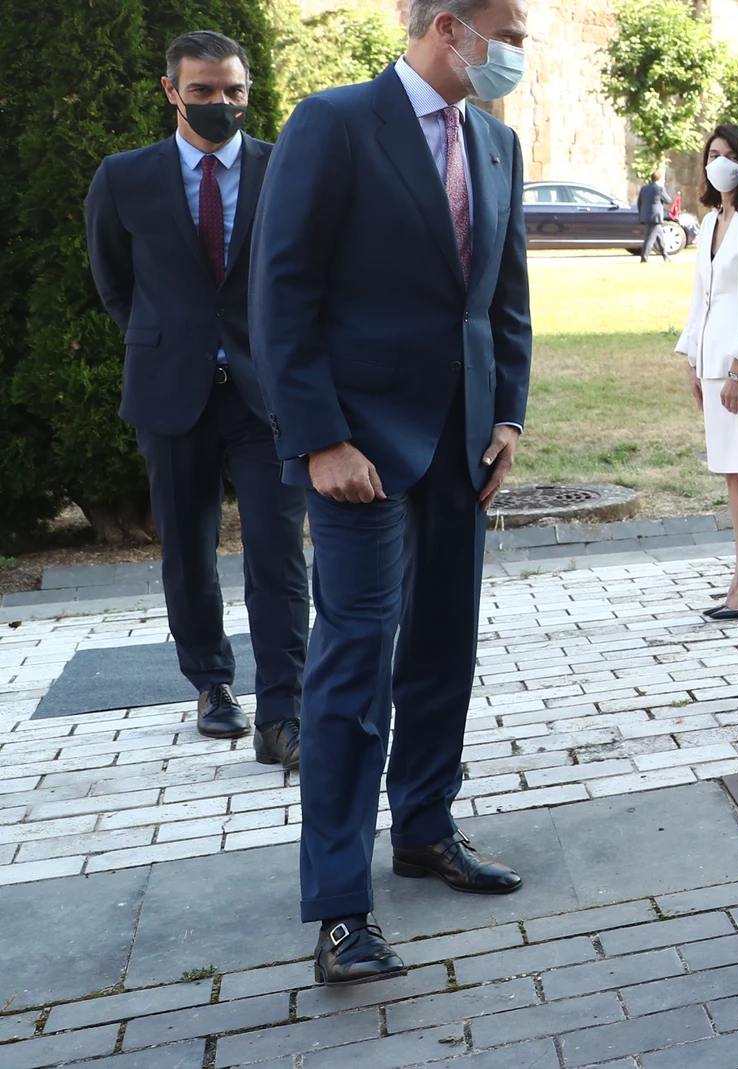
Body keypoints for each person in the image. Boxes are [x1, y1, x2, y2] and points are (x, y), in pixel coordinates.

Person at [250, 0, 532, 986]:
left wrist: (509, 418)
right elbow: (280, 290)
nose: (517, 54)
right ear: (449, 26)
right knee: (353, 670)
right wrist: (320, 437)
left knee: (444, 651)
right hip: (359, 453)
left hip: (463, 449)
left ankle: (423, 828)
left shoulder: (495, 143)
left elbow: (503, 299)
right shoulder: (334, 124)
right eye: (512, 33)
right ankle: (339, 907)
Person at [84, 32, 309, 767]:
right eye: (205, 91)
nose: (221, 104)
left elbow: (304, 275)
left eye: (234, 92)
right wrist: (165, 340)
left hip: (263, 394)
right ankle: (211, 684)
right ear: (171, 90)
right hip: (171, 391)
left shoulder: (283, 168)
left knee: (278, 553)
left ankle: (286, 710)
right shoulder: (123, 178)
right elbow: (115, 283)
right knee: (188, 551)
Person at [676, 124, 738, 620]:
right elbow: (703, 297)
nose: (719, 162)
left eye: (729, 154)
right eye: (713, 153)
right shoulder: (714, 218)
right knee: (731, 473)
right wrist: (694, 360)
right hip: (712, 360)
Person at [638, 170, 670, 262]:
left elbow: (639, 203)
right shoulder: (659, 189)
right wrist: (664, 189)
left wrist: (642, 214)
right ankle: (644, 258)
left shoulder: (644, 189)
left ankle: (666, 256)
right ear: (659, 179)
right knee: (650, 239)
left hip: (647, 216)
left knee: (660, 238)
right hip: (655, 217)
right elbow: (668, 200)